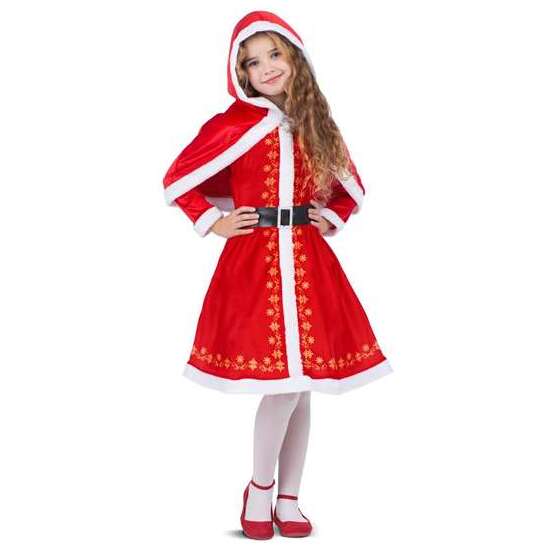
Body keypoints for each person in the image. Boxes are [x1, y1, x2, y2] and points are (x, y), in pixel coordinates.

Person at [162, 10, 393, 539]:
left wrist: (331, 216)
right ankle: (260, 490)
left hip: (308, 260)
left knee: (302, 386)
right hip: (256, 261)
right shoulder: (232, 124)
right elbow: (178, 179)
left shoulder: (315, 123)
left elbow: (349, 187)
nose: (265, 67)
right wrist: (214, 221)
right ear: (240, 73)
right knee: (285, 386)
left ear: (294, 58)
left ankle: (288, 498)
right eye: (252, 62)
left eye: (274, 54)